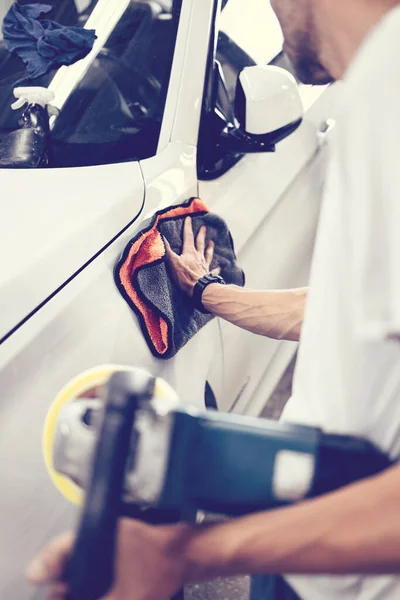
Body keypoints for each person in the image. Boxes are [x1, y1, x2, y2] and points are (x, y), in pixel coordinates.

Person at [27, 0, 400, 598]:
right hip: (315, 555)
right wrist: (207, 292)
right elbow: (333, 314)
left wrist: (182, 554)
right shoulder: (379, 84)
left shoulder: (390, 88)